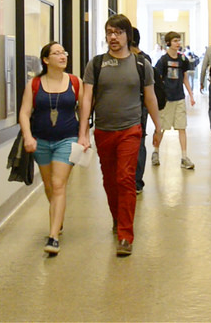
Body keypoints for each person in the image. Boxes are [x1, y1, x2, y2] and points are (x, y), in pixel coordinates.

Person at [79, 14, 162, 256]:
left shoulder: (140, 65)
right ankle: (117, 218)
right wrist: (83, 130)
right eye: (109, 32)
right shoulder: (96, 64)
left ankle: (126, 234)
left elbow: (150, 97)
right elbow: (87, 98)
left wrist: (158, 127)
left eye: (118, 32)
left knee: (126, 178)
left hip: (130, 130)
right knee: (110, 180)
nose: (113, 37)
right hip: (104, 130)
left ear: (128, 35)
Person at [18, 42, 80, 256]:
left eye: (64, 52)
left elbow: (84, 109)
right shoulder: (35, 84)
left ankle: (53, 236)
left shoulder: (74, 82)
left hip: (67, 139)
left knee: (58, 184)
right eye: (57, 53)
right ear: (46, 60)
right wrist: (28, 136)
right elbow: (25, 112)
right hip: (41, 141)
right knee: (49, 187)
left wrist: (84, 136)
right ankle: (58, 218)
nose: (63, 56)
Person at [152, 31, 196, 170]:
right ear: (169, 43)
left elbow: (184, 78)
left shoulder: (182, 60)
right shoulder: (163, 61)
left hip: (179, 98)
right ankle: (156, 152)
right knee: (161, 128)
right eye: (175, 41)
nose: (178, 43)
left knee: (182, 127)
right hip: (166, 99)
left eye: (179, 40)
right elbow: (157, 80)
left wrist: (191, 95)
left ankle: (184, 157)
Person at [130, 27, 148, 194]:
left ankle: (132, 180)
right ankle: (137, 181)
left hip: (131, 106)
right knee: (140, 140)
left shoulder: (131, 59)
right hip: (142, 106)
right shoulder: (145, 58)